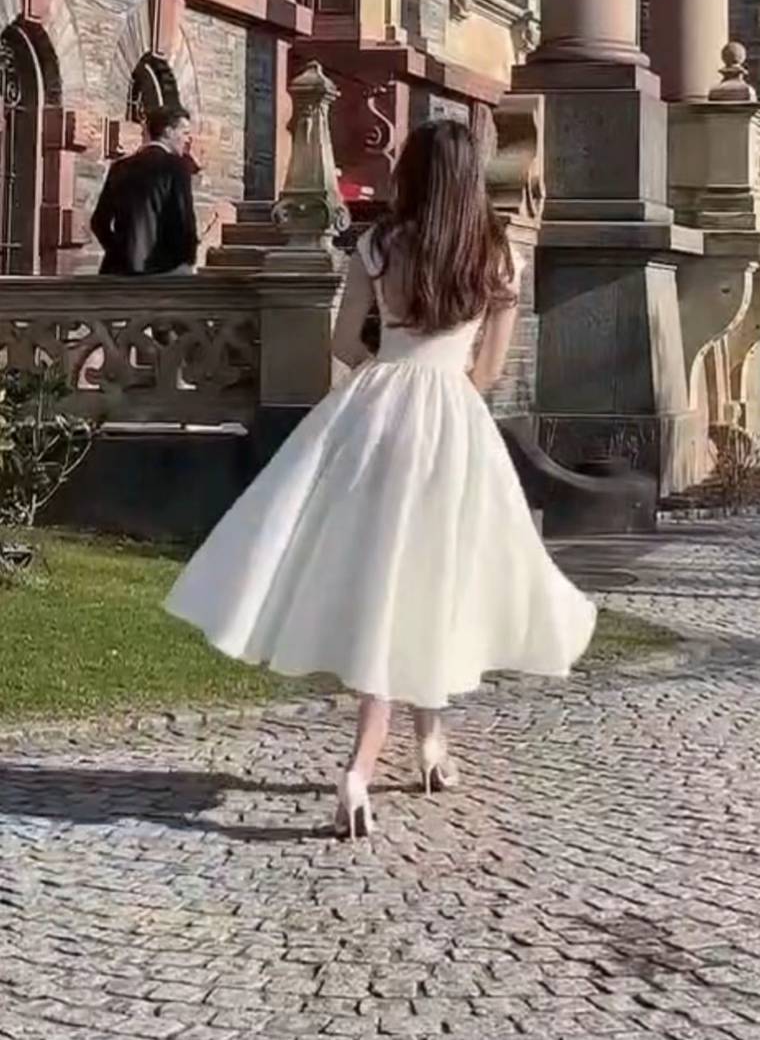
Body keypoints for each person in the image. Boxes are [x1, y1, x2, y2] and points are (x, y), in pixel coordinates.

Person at [164, 119, 596, 838]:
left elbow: (342, 341)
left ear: (415, 173)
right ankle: (366, 766)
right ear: (471, 180)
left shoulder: (379, 245)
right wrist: (450, 389)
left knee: (383, 570)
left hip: (376, 409)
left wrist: (387, 370)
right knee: (429, 574)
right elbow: (490, 370)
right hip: (452, 417)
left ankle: (426, 741)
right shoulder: (496, 255)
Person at [91, 105, 198, 275]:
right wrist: (187, 260)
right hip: (161, 270)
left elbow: (99, 222)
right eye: (185, 133)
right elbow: (184, 220)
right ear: (168, 132)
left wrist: (117, 251)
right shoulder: (176, 167)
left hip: (118, 270)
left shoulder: (120, 167)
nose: (188, 140)